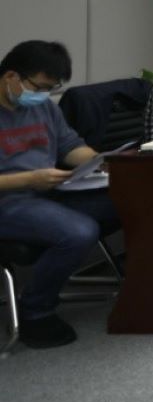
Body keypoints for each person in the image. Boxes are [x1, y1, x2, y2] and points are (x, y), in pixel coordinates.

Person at [0, 40, 116, 348]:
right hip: (9, 201)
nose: (43, 95)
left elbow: (70, 147)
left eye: (50, 89)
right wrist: (30, 178)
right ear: (11, 76)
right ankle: (35, 311)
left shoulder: (43, 108)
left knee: (127, 199)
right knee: (79, 231)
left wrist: (98, 161)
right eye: (39, 87)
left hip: (48, 192)